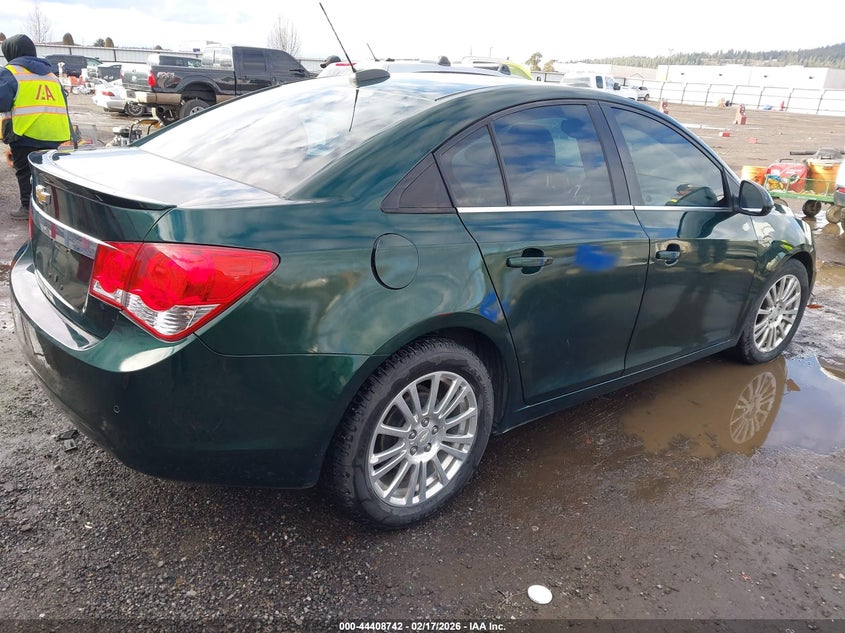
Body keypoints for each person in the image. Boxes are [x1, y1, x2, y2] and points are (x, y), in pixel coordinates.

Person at [1, 34, 73, 220]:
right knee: (47, 172)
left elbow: (2, 101)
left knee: (25, 171)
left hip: (26, 132)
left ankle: (28, 207)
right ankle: (52, 207)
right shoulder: (51, 75)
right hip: (54, 132)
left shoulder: (11, 72)